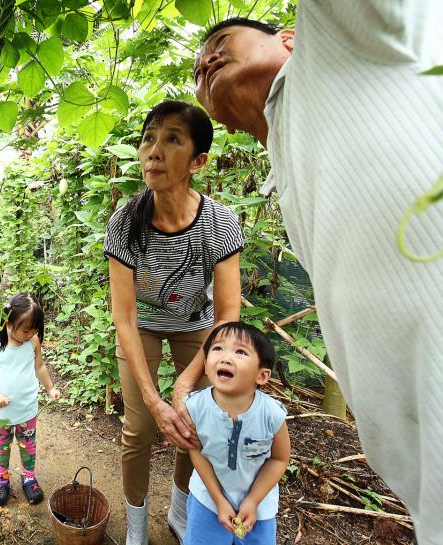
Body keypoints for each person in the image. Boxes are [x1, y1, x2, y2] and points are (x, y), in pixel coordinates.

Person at [188, 6, 443, 544]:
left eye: (222, 42)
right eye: (197, 73)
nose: (206, 61)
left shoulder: (338, 42)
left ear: (290, 36)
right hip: (423, 462)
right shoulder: (290, 170)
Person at [104, 100, 243, 544]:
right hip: (141, 323)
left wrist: (184, 384)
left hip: (198, 325)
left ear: (198, 161)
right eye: (149, 138)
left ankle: (181, 509)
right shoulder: (125, 222)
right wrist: (153, 397)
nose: (154, 151)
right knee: (141, 427)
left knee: (194, 421)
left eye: (172, 140)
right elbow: (123, 317)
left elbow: (228, 314)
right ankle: (138, 524)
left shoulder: (218, 222)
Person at [184, 322, 289, 545]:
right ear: (205, 364)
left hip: (258, 509)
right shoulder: (195, 407)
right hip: (207, 502)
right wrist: (218, 500)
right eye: (218, 348)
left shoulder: (271, 414)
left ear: (262, 376)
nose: (225, 357)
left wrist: (253, 500)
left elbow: (279, 459)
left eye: (240, 352)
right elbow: (196, 451)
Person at [0, 293, 62, 506]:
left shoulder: (32, 341)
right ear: (9, 322)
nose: (30, 333)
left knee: (28, 445)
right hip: (1, 413)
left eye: (34, 329)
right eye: (26, 329)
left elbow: (39, 367)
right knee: (2, 446)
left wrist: (50, 388)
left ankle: (29, 477)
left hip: (27, 409)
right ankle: (1, 479)